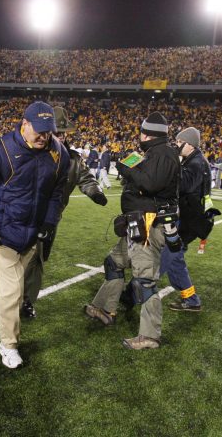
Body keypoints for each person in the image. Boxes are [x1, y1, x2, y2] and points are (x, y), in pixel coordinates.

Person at [0, 101, 69, 368]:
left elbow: (57, 191)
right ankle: (8, 345)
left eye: (49, 132)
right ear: (25, 124)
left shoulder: (59, 153)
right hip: (2, 231)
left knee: (13, 277)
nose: (44, 137)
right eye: (39, 131)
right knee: (13, 290)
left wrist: (49, 222)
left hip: (31, 234)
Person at [84, 112, 180, 350]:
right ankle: (106, 309)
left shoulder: (165, 154)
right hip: (136, 223)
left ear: (147, 134)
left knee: (145, 281)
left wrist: (126, 170)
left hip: (147, 225)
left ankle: (149, 336)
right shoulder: (153, 154)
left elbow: (150, 184)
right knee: (113, 263)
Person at [20, 106, 108, 318]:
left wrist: (95, 192)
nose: (59, 137)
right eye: (55, 132)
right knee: (23, 260)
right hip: (26, 215)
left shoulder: (73, 159)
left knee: (38, 262)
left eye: (62, 133)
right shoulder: (33, 152)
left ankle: (27, 301)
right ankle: (13, 295)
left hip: (52, 219)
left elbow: (86, 178)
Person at [164, 127, 220, 310]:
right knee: (174, 259)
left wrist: (172, 163)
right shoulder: (194, 160)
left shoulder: (196, 163)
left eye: (180, 143)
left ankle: (135, 293)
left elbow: (184, 185)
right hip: (190, 218)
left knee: (168, 258)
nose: (177, 146)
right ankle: (191, 299)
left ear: (190, 145)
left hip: (189, 220)